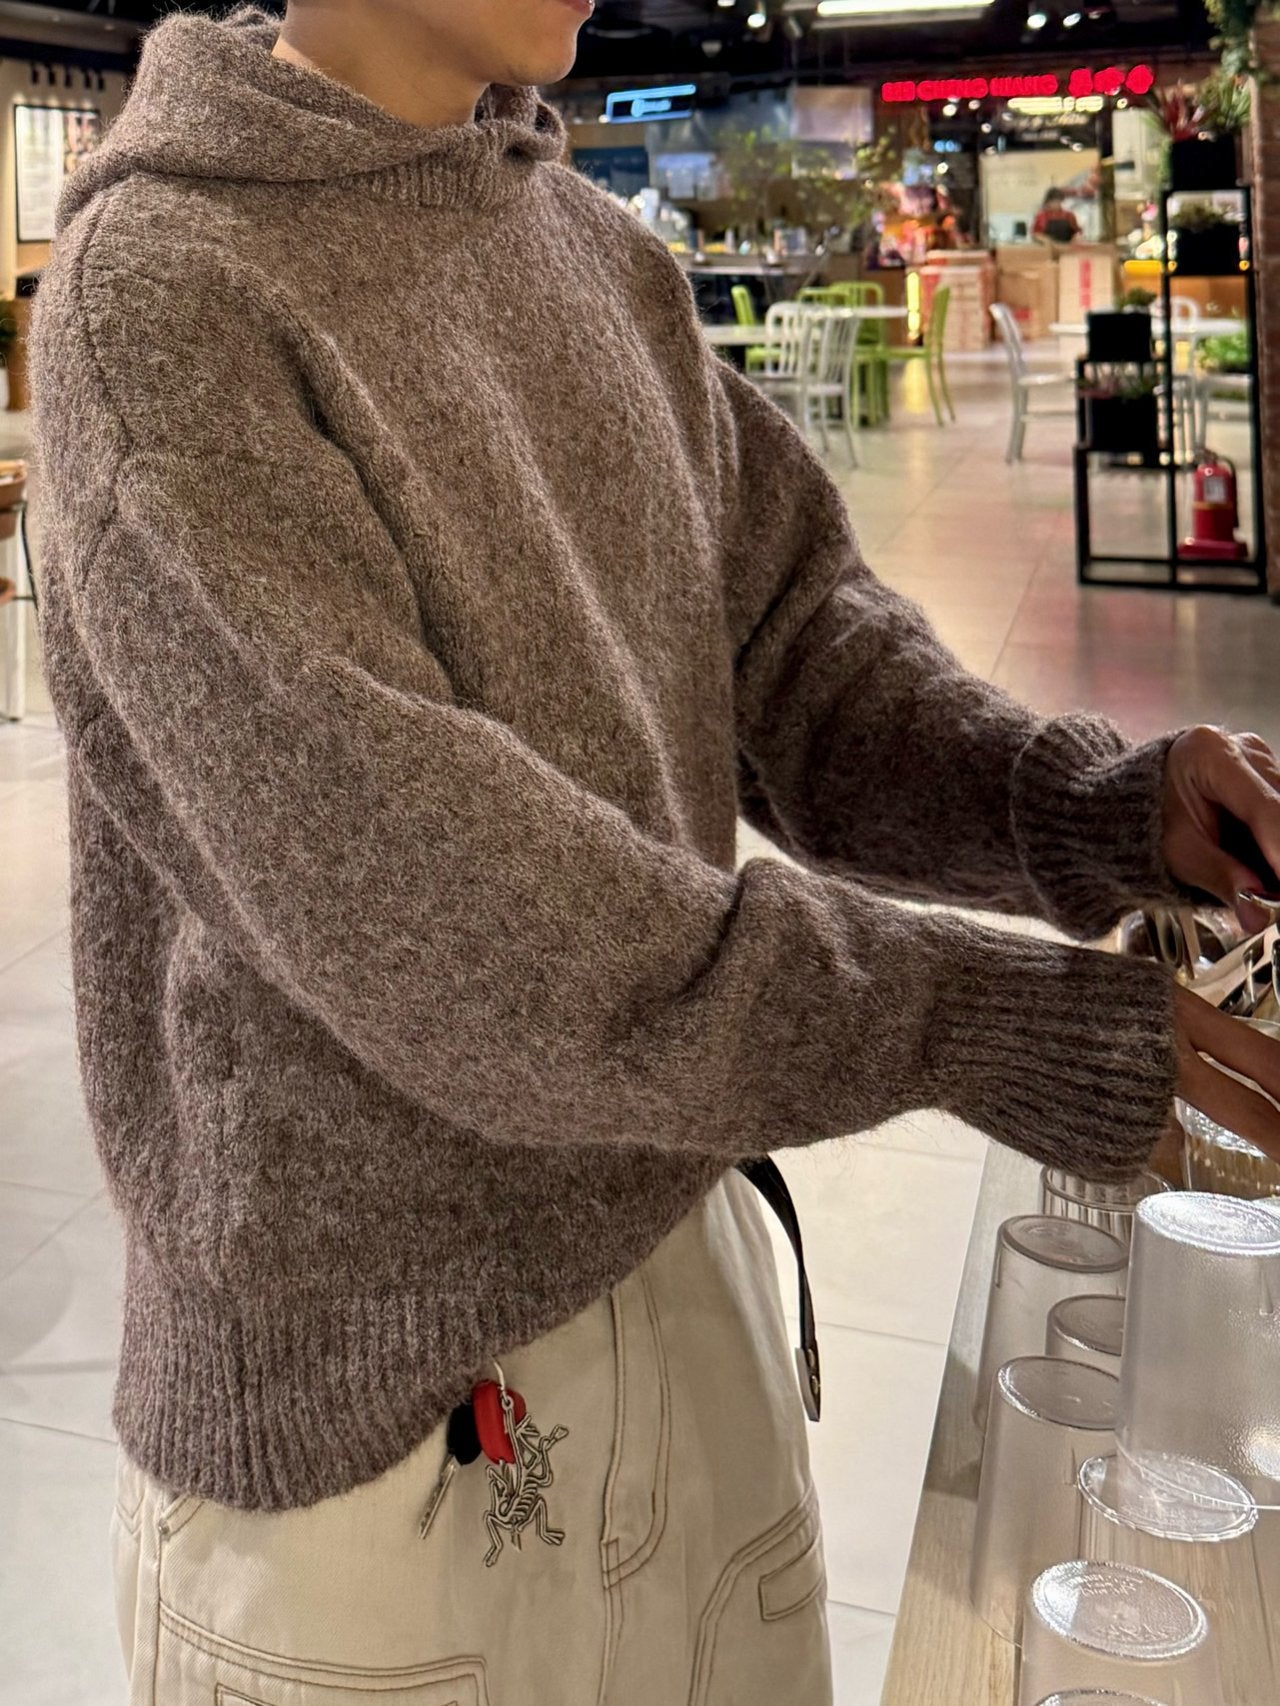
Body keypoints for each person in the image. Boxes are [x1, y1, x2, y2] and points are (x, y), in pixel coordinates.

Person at [30, 4, 1280, 1702]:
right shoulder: (167, 291)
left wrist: (1102, 805)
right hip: (374, 1448)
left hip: (691, 1286)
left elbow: (803, 659)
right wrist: (968, 1017)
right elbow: (459, 918)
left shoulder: (596, 253)